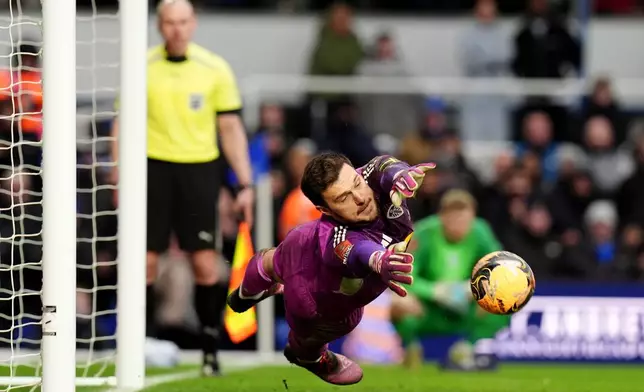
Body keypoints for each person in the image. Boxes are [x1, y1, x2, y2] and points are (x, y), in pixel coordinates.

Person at [109, 0, 253, 376]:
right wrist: (118, 174)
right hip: (151, 168)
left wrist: (245, 182)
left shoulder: (214, 68)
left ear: (194, 23)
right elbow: (122, 123)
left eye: (183, 21)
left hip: (198, 170)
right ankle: (139, 344)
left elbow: (231, 128)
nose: (176, 29)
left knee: (205, 262)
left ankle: (210, 349)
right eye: (169, 22)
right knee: (144, 261)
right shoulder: (141, 65)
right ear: (159, 25)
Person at [228, 153, 435, 385]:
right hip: (309, 280)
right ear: (325, 209)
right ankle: (306, 353)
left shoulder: (370, 178)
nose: (359, 198)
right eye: (343, 197)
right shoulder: (337, 238)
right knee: (318, 315)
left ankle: (256, 289)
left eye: (356, 183)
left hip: (313, 252)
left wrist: (401, 173)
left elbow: (384, 164)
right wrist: (379, 261)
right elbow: (359, 250)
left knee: (282, 264)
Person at [394, 189, 509, 371]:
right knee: (399, 303)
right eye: (454, 220)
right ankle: (410, 349)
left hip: (465, 303)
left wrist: (477, 287)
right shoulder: (424, 233)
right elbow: (405, 275)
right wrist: (434, 291)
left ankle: (466, 349)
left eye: (465, 221)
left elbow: (499, 266)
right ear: (442, 217)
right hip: (429, 306)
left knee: (504, 301)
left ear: (473, 218)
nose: (460, 226)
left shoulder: (481, 231)